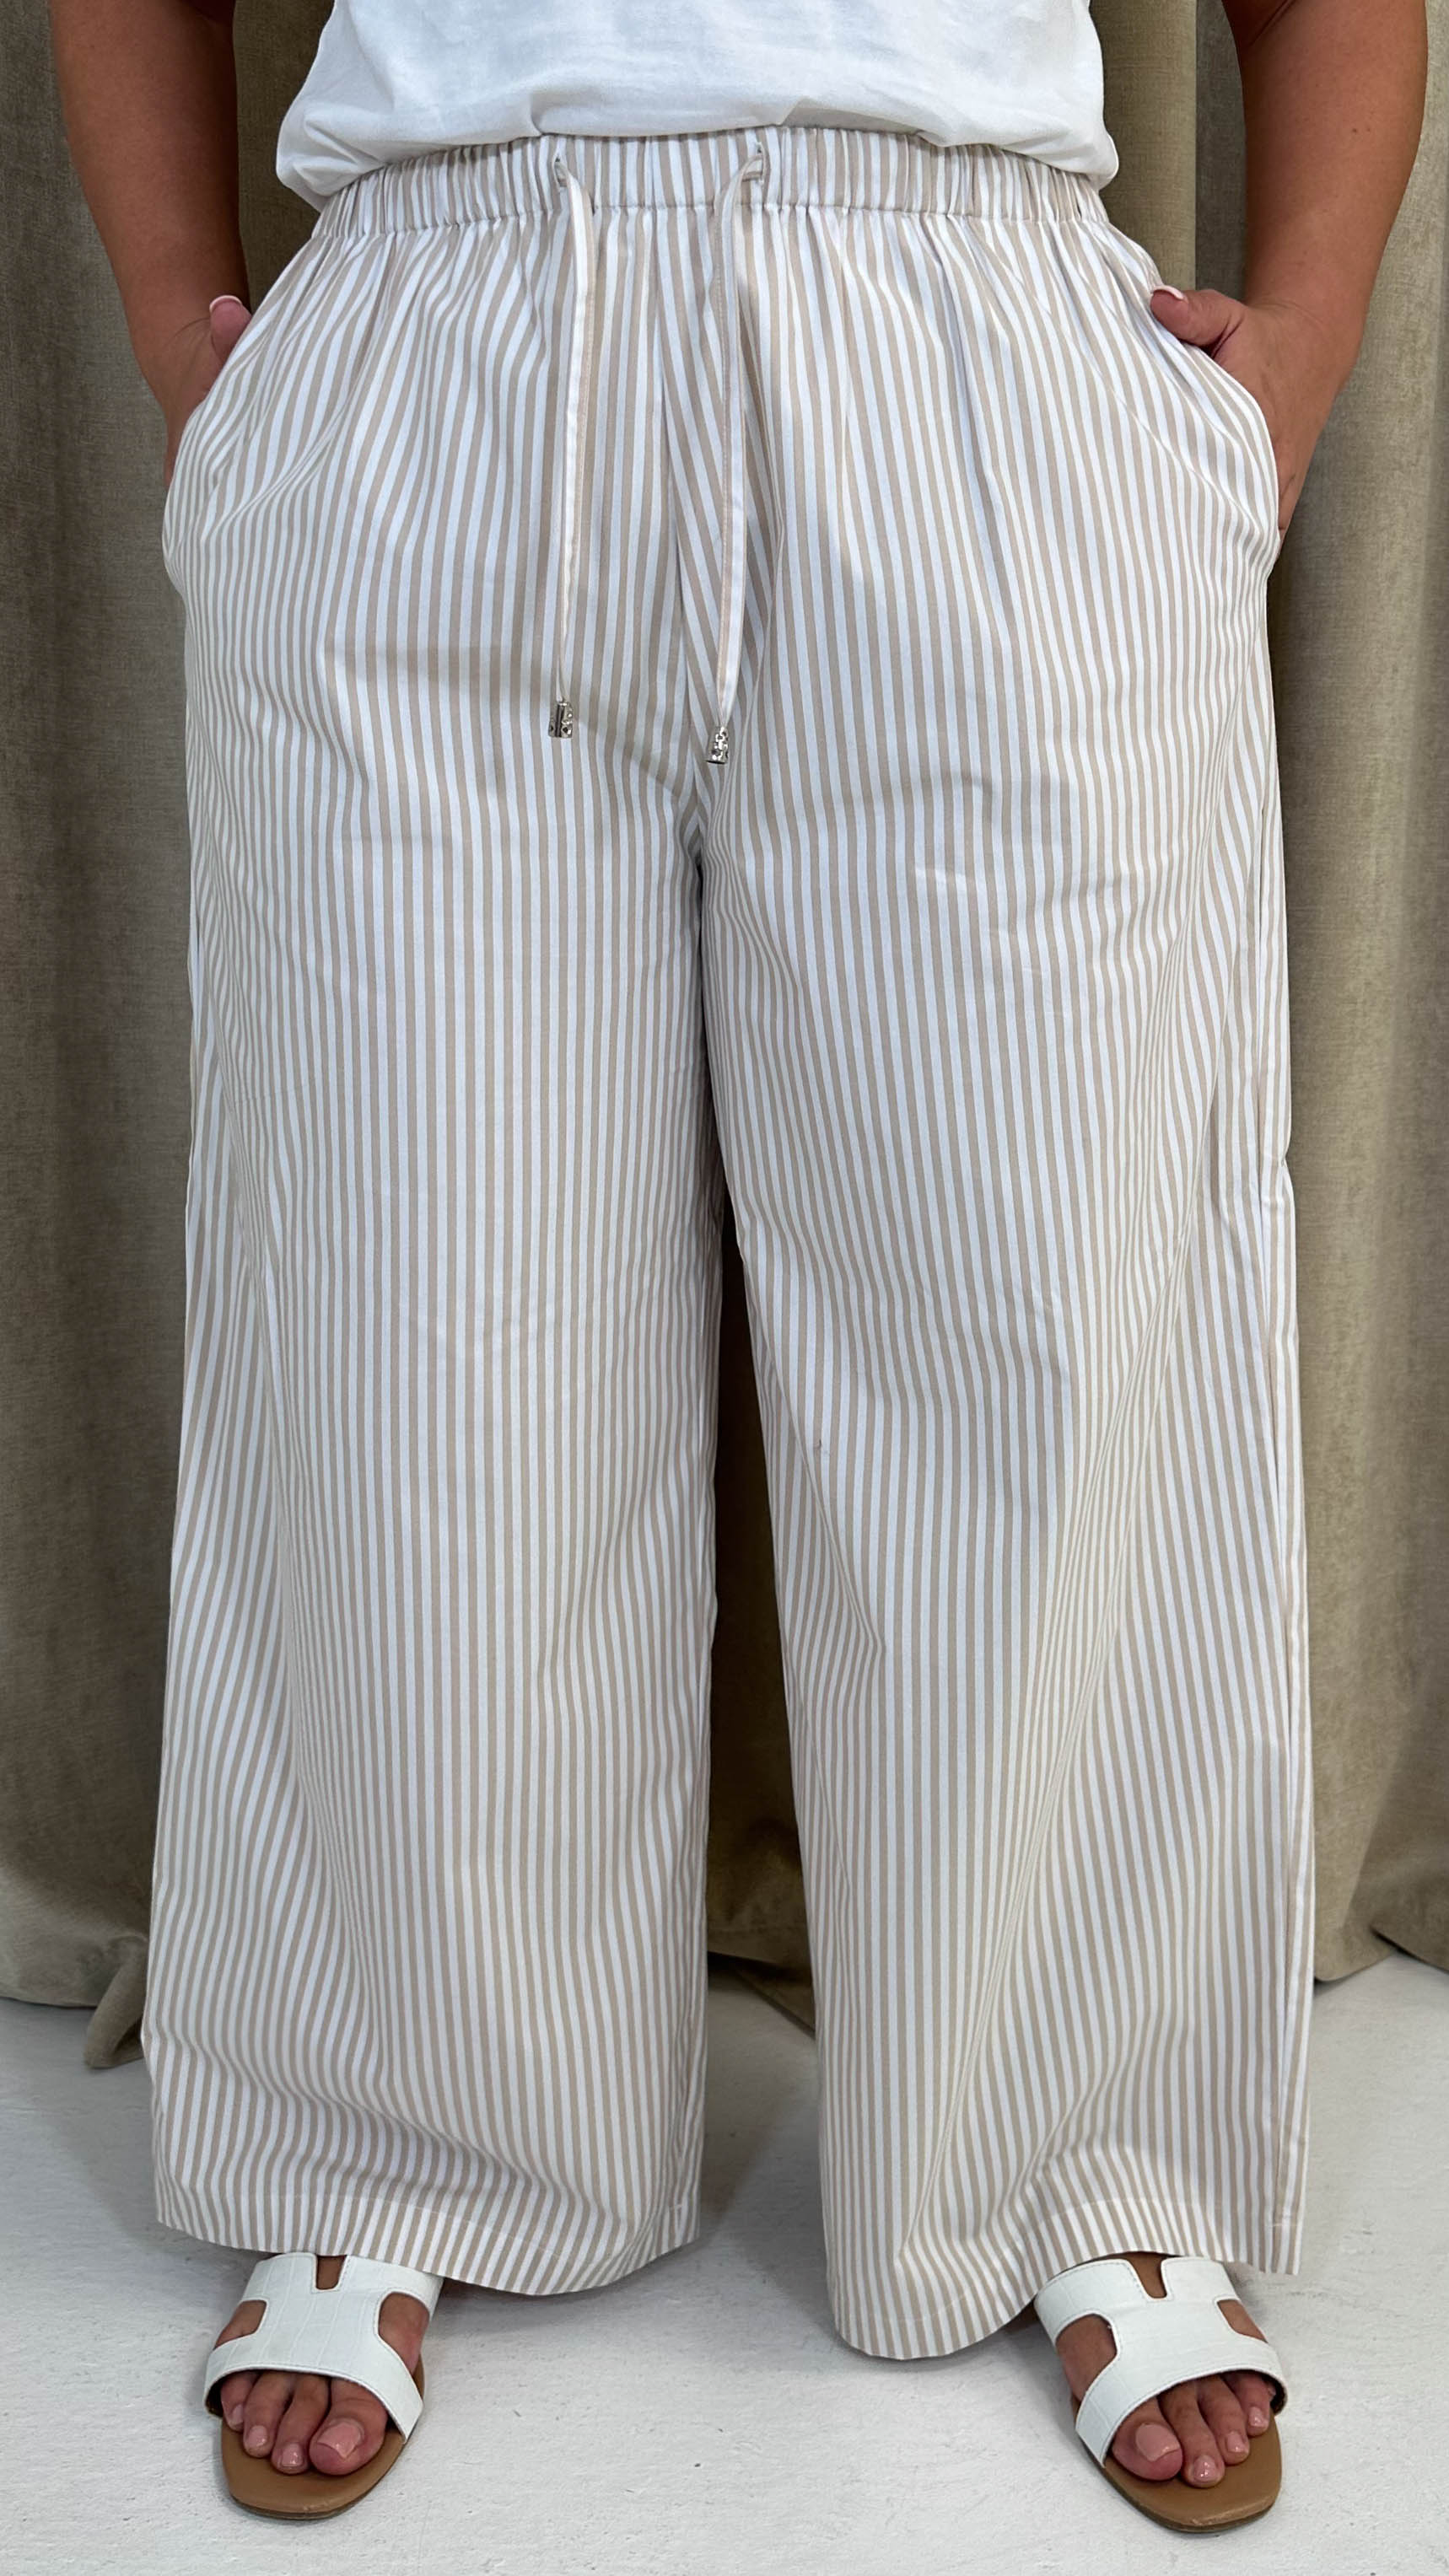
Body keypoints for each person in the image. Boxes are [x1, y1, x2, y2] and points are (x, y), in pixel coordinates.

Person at [51, 0, 1425, 2534]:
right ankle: (394, 2127)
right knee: (412, 1314)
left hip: (971, 331)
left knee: (1044, 1304)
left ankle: (1085, 2149)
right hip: (437, 323)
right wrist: (182, 337)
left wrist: (1299, 349)